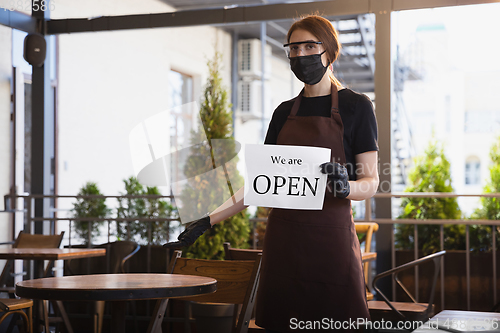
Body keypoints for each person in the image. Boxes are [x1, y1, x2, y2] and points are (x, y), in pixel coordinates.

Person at [165, 14, 379, 332]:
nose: (301, 55)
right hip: (284, 246)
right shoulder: (283, 113)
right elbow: (257, 185)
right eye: (294, 48)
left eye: (310, 46)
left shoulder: (357, 107)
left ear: (329, 51)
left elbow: (371, 182)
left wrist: (346, 186)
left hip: (330, 245)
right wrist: (206, 221)